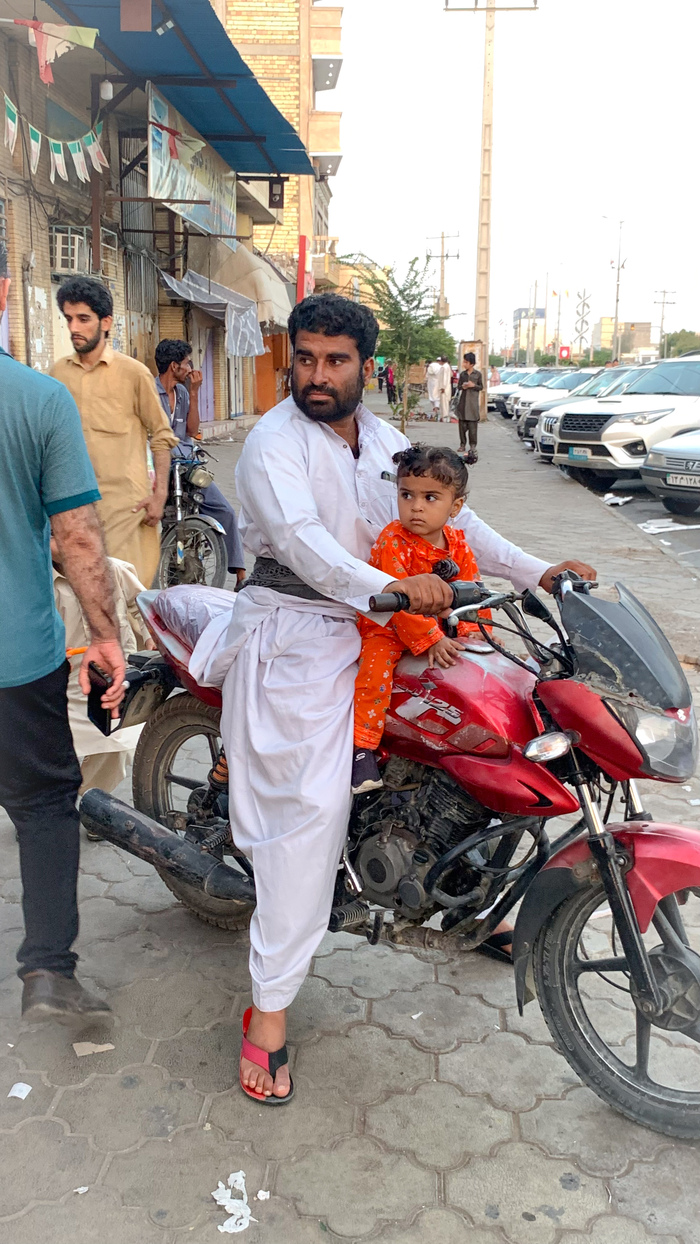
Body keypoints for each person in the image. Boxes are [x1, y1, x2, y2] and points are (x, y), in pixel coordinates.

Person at [188, 291, 596, 1104]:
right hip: (297, 633)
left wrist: (537, 571)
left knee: (491, 727)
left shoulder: (382, 440)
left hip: (390, 622)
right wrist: (395, 589)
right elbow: (303, 545)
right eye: (305, 358)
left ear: (365, 367)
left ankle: (467, 896)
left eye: (335, 361)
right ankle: (268, 1012)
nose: (317, 374)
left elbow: (456, 525)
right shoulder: (272, 444)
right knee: (311, 817)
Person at [0, 241, 126, 1024]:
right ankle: (47, 970)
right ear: (3, 291)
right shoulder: (38, 399)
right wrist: (106, 637)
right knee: (45, 805)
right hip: (15, 660)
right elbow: (77, 536)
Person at [352, 445, 484, 793]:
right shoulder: (393, 540)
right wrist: (431, 638)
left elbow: (471, 588)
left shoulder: (457, 543)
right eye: (406, 495)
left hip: (436, 629)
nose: (416, 506)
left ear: (455, 506)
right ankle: (361, 749)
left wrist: (475, 629)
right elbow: (400, 601)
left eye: (430, 497)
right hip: (387, 626)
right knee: (374, 673)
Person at [50, 277, 177, 586]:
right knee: (77, 600)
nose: (74, 328)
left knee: (125, 598)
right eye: (69, 318)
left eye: (83, 319)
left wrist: (159, 495)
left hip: (125, 511)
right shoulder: (57, 374)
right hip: (72, 511)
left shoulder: (134, 373)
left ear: (105, 322)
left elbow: (161, 436)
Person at [52, 540, 151, 797]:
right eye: (52, 535)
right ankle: (48, 804)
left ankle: (87, 799)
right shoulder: (39, 586)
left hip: (112, 681)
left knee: (118, 746)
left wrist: (151, 635)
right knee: (48, 754)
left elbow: (143, 605)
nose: (63, 541)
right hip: (65, 687)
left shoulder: (114, 570)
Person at [154, 339, 246, 583]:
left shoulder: (183, 393)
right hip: (159, 466)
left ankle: (240, 574)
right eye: (187, 363)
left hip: (186, 464)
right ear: (174, 366)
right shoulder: (150, 392)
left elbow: (192, 430)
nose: (190, 368)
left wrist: (194, 393)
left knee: (225, 510)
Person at [455, 351, 484, 460]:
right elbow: (458, 387)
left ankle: (473, 446)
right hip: (463, 403)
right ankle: (462, 444)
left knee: (473, 428)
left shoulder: (478, 374)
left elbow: (481, 387)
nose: (464, 364)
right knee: (462, 427)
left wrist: (473, 385)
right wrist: (463, 386)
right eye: (464, 362)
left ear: (471, 364)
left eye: (466, 362)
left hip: (472, 404)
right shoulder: (463, 374)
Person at [438, 356, 453, 422]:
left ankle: (444, 417)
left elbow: (444, 378)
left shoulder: (444, 367)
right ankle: (444, 416)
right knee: (445, 402)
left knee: (444, 403)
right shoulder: (448, 366)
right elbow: (451, 375)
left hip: (444, 387)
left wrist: (443, 387)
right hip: (447, 386)